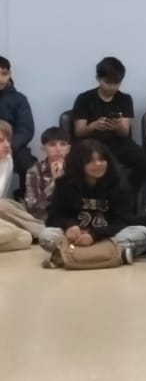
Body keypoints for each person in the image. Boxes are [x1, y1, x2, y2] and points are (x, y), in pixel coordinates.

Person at [38, 139, 146, 267]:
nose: (98, 164)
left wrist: (94, 235)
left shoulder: (119, 184)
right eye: (90, 161)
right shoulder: (64, 184)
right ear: (79, 163)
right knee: (46, 235)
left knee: (142, 232)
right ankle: (115, 255)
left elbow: (123, 222)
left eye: (102, 160)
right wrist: (69, 226)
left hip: (106, 237)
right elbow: (53, 218)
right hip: (76, 239)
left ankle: (69, 255)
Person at [72, 57, 146, 190]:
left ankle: (129, 194)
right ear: (98, 79)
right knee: (102, 163)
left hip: (118, 143)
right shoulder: (84, 99)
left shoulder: (125, 99)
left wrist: (118, 126)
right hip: (91, 144)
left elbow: (125, 133)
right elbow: (79, 132)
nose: (112, 87)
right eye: (108, 82)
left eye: (117, 83)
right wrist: (93, 126)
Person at [0, 121, 39, 251]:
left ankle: (43, 231)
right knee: (4, 206)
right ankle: (44, 231)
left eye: (8, 140)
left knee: (25, 238)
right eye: (0, 141)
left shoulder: (7, 160)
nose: (7, 145)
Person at [0, 55, 35, 199]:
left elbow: (26, 129)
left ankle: (25, 199)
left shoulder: (19, 99)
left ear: (10, 74)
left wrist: (9, 146)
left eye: (4, 74)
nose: (0, 78)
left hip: (12, 146)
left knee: (29, 166)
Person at [24, 127, 70, 221]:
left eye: (63, 144)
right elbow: (31, 208)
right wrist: (54, 183)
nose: (58, 149)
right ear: (43, 149)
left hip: (71, 219)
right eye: (52, 145)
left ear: (68, 148)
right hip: (43, 220)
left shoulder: (75, 168)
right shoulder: (34, 171)